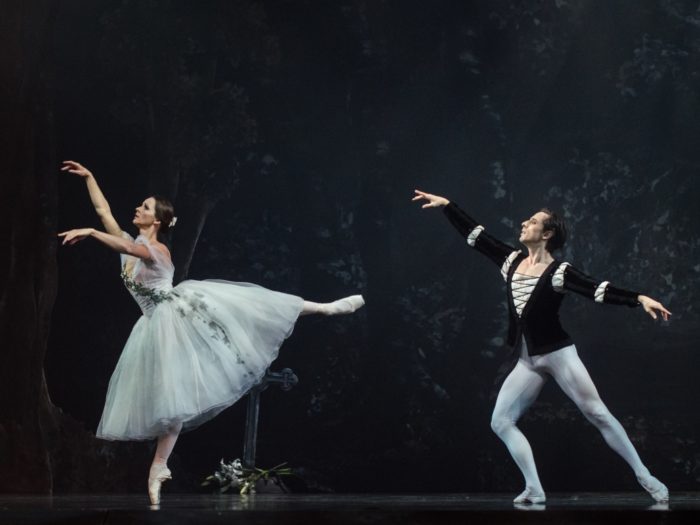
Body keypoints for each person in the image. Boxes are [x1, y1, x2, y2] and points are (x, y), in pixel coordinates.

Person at [58, 160, 365, 505]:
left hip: (181, 313)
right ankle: (159, 467)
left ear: (156, 221)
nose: (137, 209)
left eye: (144, 207)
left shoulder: (157, 250)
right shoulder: (130, 242)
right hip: (153, 326)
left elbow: (129, 248)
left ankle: (325, 307)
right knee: (171, 400)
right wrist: (90, 178)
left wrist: (89, 233)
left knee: (252, 308)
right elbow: (104, 212)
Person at [412, 189, 670, 504]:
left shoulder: (559, 273)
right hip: (527, 360)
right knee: (501, 421)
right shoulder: (510, 261)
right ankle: (534, 487)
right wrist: (448, 206)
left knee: (596, 412)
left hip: (558, 354)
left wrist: (639, 298)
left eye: (532, 222)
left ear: (546, 234)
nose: (524, 223)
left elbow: (597, 289)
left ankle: (645, 475)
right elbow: (478, 237)